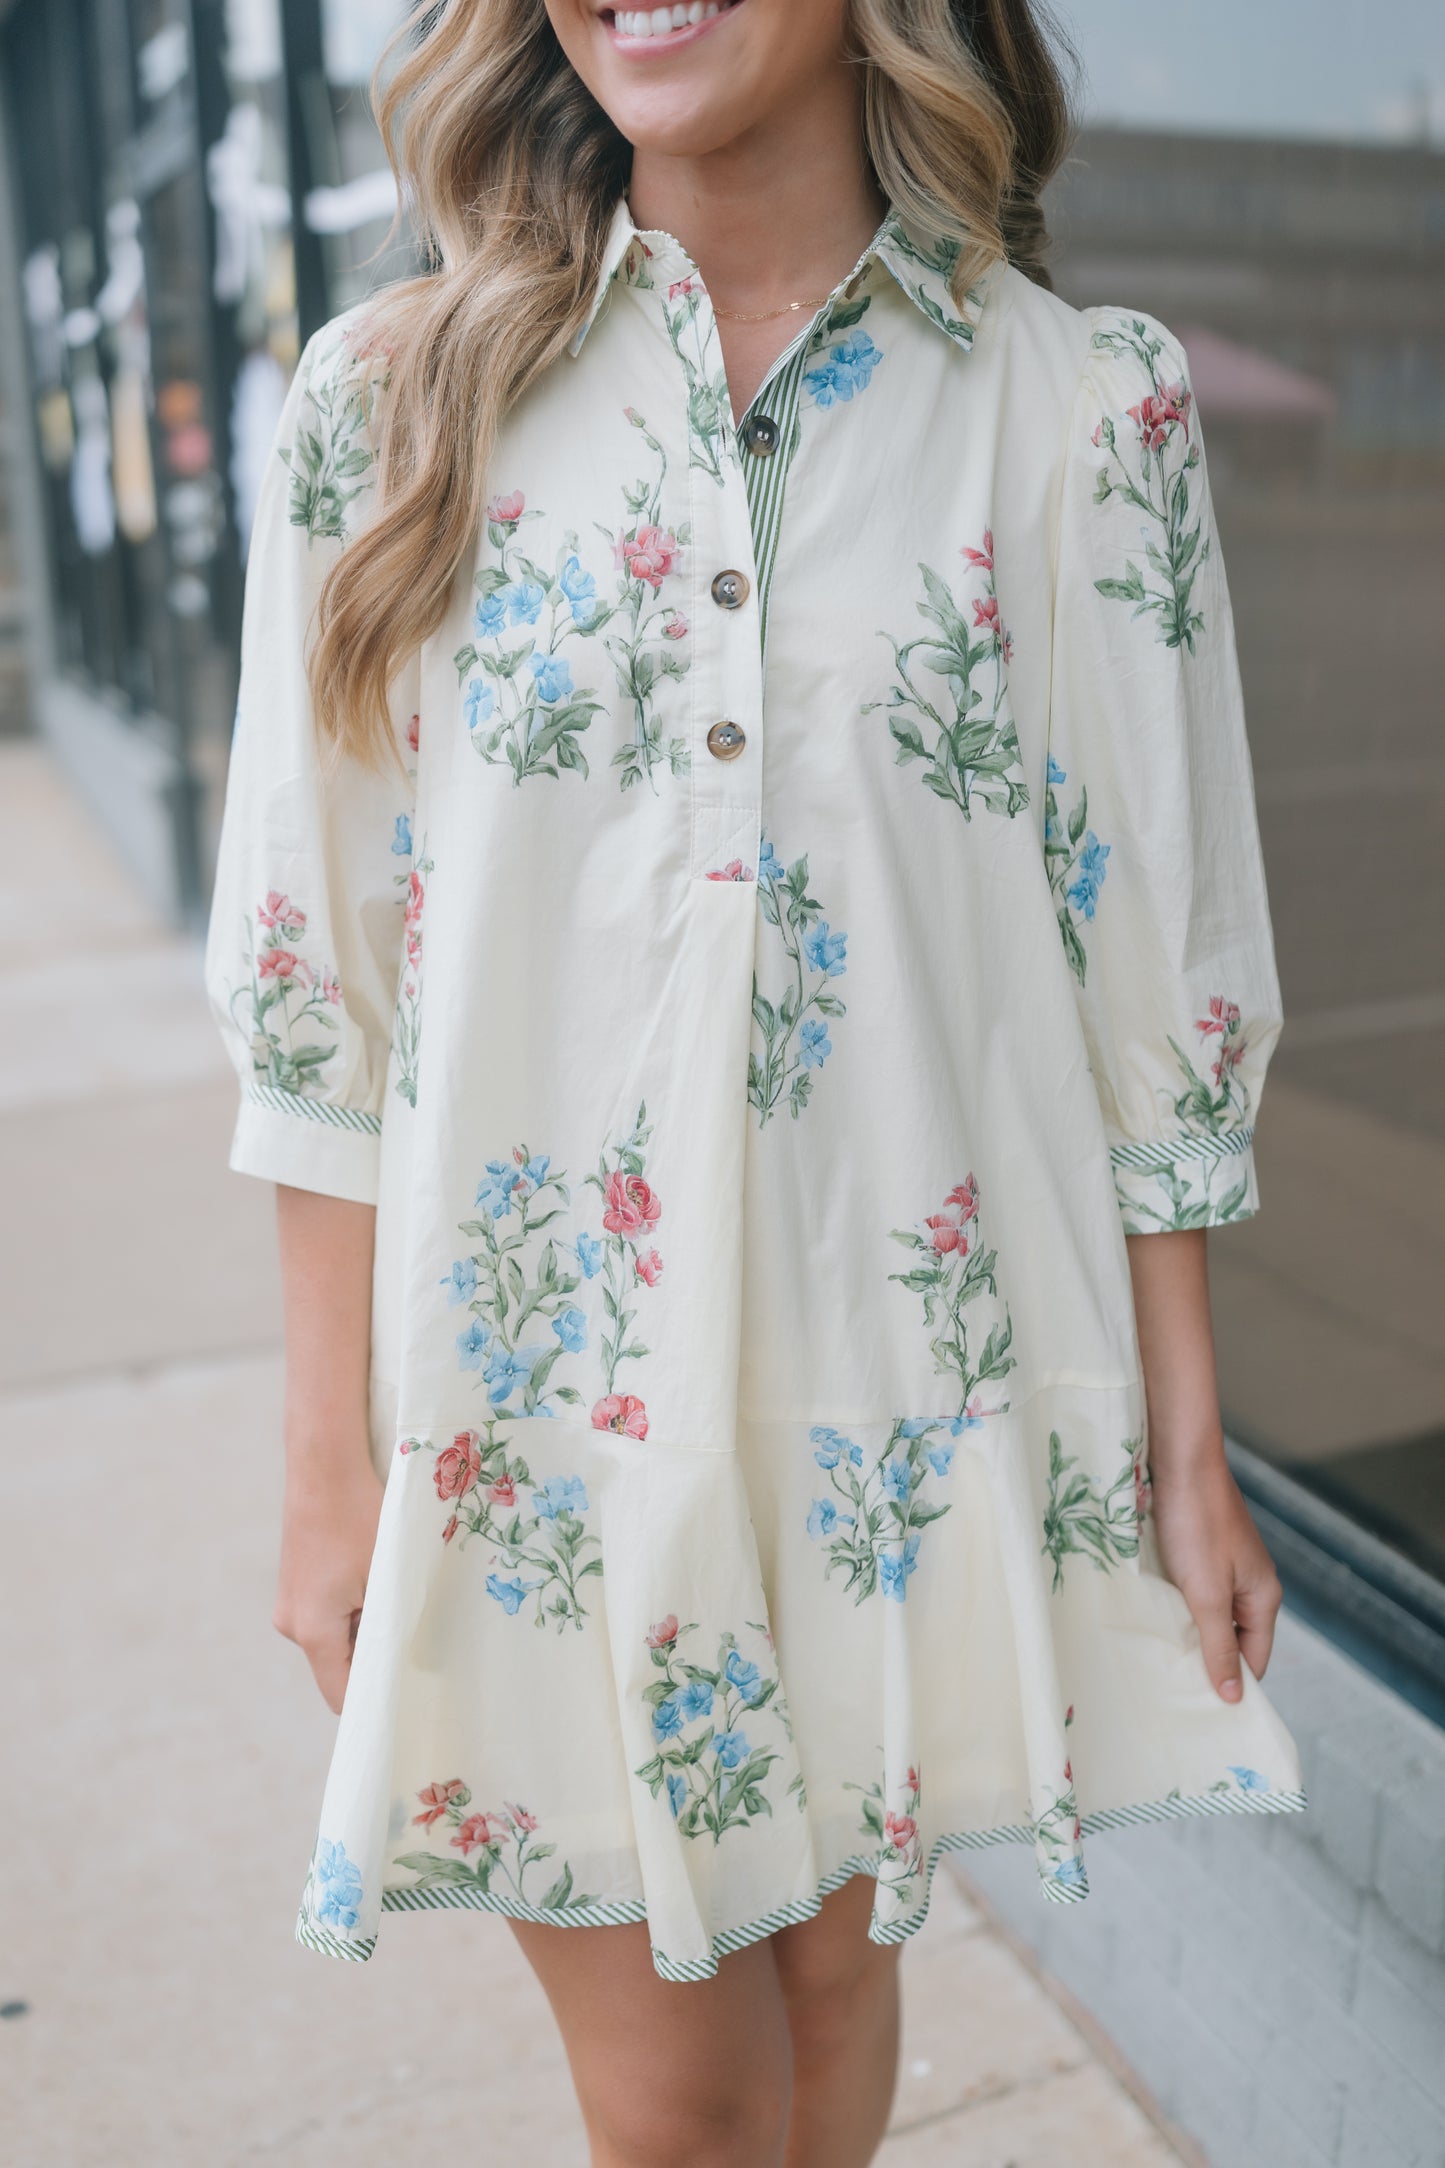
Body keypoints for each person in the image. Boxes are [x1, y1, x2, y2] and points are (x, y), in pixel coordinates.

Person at [204, 3, 1304, 2161]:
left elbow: (1145, 962)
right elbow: (311, 975)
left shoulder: (1078, 410)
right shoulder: (393, 409)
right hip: (543, 1421)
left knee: (824, 2019)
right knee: (686, 2110)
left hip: (895, 1400)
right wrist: (325, 1452)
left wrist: (1189, 1438)